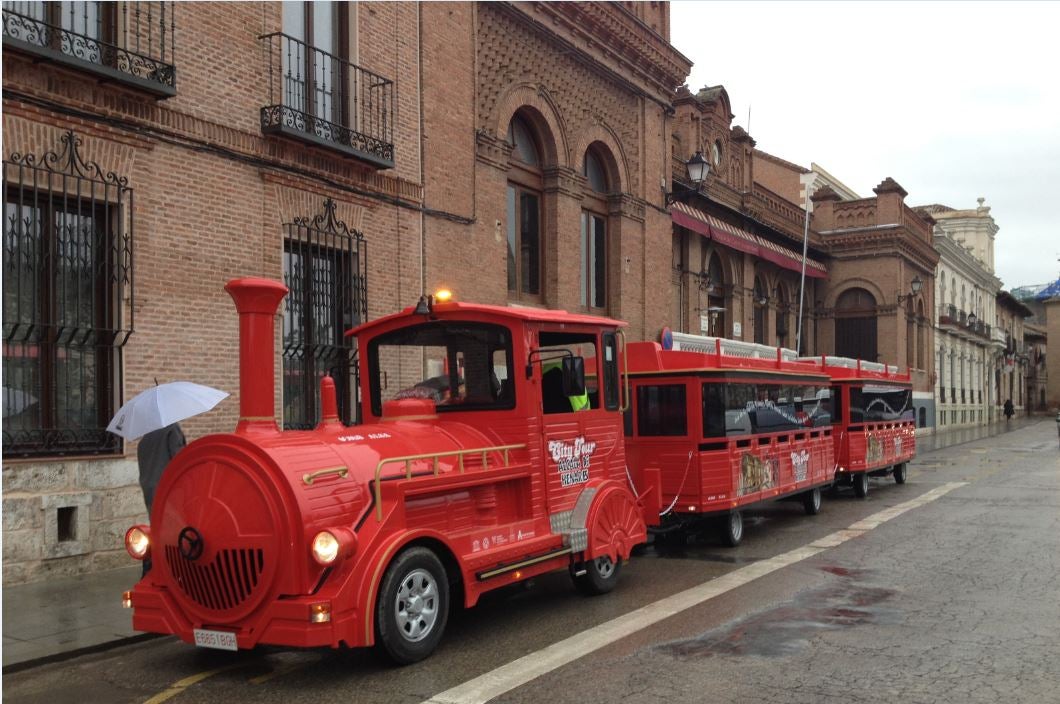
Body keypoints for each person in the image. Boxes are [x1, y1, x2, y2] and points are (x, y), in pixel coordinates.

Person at [138, 422, 186, 574]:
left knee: (157, 530)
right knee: (174, 534)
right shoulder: (172, 429)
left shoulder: (145, 438)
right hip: (168, 491)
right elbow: (180, 461)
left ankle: (151, 569)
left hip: (150, 490)